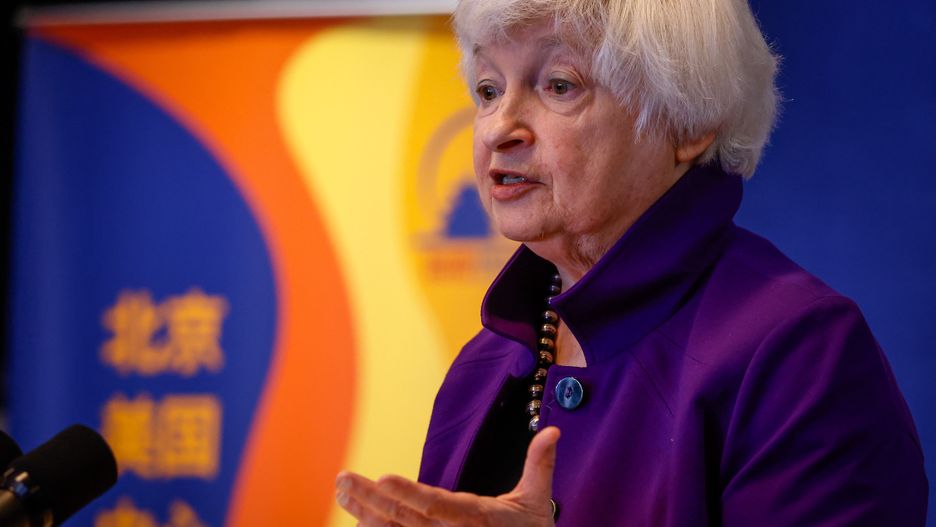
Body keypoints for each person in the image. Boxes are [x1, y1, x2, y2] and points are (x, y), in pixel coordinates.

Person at [335, 0, 929, 524]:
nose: (499, 129)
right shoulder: (481, 365)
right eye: (489, 91)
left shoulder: (801, 353)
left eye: (559, 85)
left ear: (689, 122)